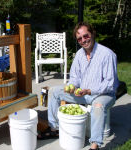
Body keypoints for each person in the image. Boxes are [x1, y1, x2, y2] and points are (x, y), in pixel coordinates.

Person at [37, 22, 119, 150]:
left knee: (98, 106)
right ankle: (54, 128)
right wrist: (70, 86)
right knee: (54, 91)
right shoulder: (80, 54)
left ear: (92, 34)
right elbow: (74, 78)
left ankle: (95, 145)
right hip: (83, 94)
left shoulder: (107, 54)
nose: (83, 40)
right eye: (79, 38)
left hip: (104, 95)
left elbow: (110, 84)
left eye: (86, 36)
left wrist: (89, 91)